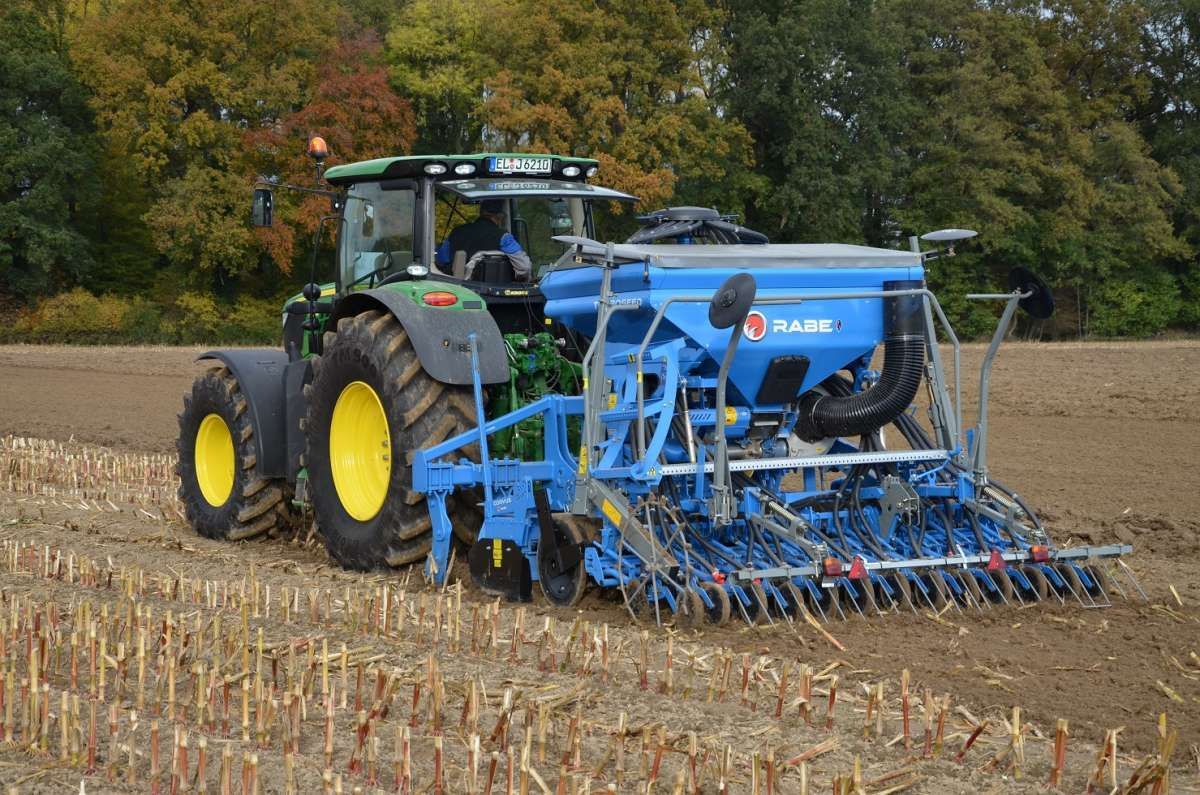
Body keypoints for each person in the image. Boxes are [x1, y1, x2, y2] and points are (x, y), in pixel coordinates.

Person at [435, 199, 532, 281]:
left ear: (481, 212)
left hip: (460, 289)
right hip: (497, 292)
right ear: (500, 216)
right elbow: (524, 267)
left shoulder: (456, 232)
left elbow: (440, 260)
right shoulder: (504, 237)